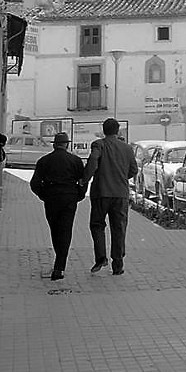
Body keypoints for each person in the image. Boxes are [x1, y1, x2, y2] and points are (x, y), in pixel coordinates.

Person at [83, 118, 138, 275]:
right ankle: (118, 264)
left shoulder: (99, 144)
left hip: (101, 193)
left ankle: (101, 258)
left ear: (103, 130)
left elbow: (93, 160)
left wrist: (85, 179)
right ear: (118, 130)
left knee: (97, 225)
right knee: (119, 227)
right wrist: (120, 177)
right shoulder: (127, 148)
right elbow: (134, 170)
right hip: (120, 194)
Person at [29, 132, 86, 281]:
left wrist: (43, 195)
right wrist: (78, 195)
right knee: (66, 230)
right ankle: (59, 266)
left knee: (55, 229)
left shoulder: (44, 161)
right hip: (69, 197)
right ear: (66, 144)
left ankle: (58, 263)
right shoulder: (76, 161)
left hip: (52, 197)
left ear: (54, 144)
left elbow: (34, 183)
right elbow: (83, 181)